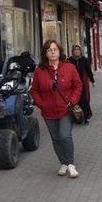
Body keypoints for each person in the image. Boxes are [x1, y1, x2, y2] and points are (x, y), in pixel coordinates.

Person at [31, 40, 83, 178]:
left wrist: (72, 101)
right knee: (55, 139)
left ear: (60, 52)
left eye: (55, 49)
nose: (52, 52)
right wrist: (41, 104)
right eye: (49, 50)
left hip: (65, 109)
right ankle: (63, 163)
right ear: (45, 54)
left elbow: (78, 86)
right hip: (48, 112)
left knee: (65, 136)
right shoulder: (39, 71)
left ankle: (71, 164)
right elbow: (34, 90)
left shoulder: (69, 67)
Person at [67, 44, 95, 124]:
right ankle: (76, 117)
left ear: (80, 51)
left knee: (84, 100)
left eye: (78, 50)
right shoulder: (69, 61)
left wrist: (92, 81)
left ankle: (86, 117)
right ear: (72, 51)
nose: (77, 51)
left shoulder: (84, 60)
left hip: (82, 84)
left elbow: (88, 71)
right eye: (75, 50)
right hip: (72, 85)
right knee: (75, 101)